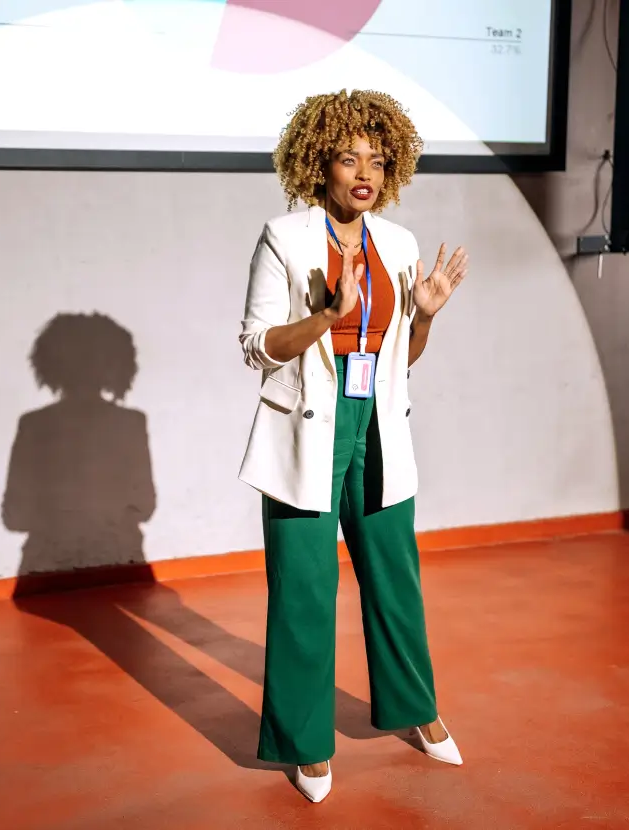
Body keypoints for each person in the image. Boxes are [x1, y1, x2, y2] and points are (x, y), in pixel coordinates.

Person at [237, 89, 469, 803]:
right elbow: (256, 348)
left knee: (395, 578)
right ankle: (305, 745)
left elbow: (403, 358)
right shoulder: (284, 238)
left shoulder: (397, 246)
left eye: (377, 158)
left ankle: (415, 709)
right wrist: (324, 319)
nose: (364, 172)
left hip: (378, 424)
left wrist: (424, 316)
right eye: (348, 157)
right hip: (306, 429)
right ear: (320, 165)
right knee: (305, 590)